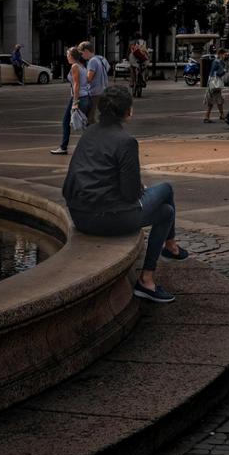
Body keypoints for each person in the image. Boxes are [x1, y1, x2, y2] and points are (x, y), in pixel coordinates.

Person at [62, 82, 187, 304]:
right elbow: (130, 195)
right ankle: (160, 261)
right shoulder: (126, 142)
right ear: (128, 111)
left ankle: (166, 255)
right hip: (108, 219)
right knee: (166, 190)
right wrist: (141, 189)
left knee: (166, 212)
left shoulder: (89, 132)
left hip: (79, 215)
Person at [50, 45, 88, 155]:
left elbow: (76, 84)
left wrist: (75, 102)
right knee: (85, 123)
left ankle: (63, 147)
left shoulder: (75, 66)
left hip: (78, 97)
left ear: (72, 56)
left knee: (66, 121)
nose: (66, 56)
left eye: (67, 54)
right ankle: (93, 145)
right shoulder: (82, 65)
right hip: (84, 96)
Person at [81, 40, 110, 121]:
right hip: (103, 90)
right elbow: (108, 68)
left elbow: (89, 78)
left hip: (94, 92)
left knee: (90, 117)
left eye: (81, 53)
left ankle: (95, 133)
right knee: (99, 115)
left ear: (86, 51)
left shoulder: (92, 61)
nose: (82, 56)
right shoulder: (101, 58)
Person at [203, 49, 227, 122]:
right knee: (217, 99)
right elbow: (219, 73)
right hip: (215, 83)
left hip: (211, 82)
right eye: (224, 55)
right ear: (220, 54)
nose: (225, 56)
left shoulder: (215, 61)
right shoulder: (218, 62)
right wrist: (224, 70)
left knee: (214, 99)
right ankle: (208, 117)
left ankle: (219, 115)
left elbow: (212, 72)